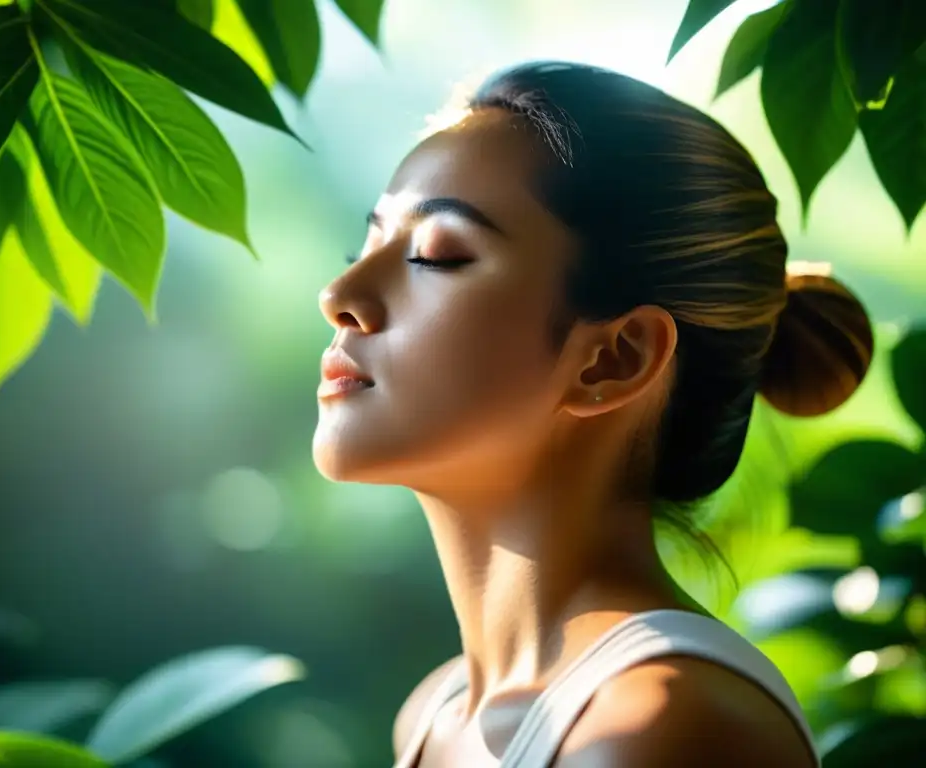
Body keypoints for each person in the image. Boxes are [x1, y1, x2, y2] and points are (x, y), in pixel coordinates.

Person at [312, 61, 872, 767]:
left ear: (615, 359)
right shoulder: (437, 714)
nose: (340, 293)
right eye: (363, 248)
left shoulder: (669, 727)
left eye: (437, 255)